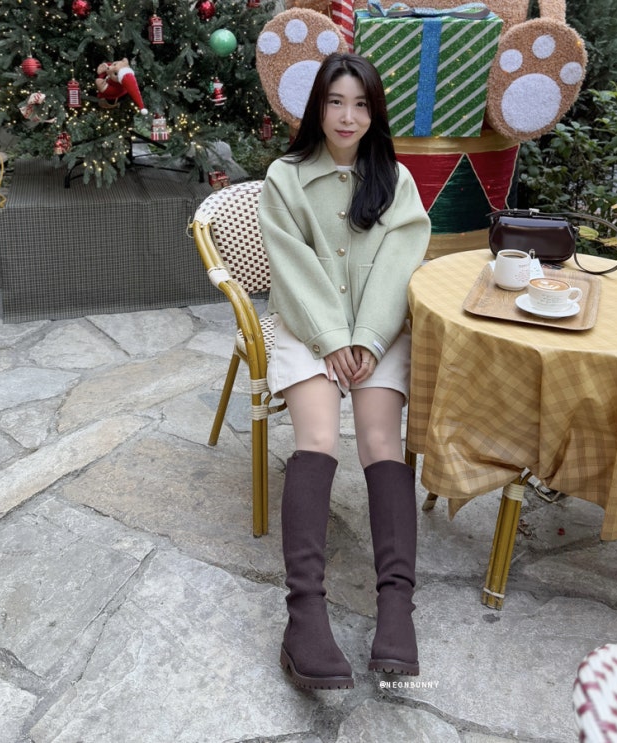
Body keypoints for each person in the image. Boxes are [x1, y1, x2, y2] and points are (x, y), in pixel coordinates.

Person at [258, 52, 431, 690]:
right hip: (308, 328)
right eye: (335, 101)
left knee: (382, 441)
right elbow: (291, 266)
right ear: (317, 107)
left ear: (374, 111)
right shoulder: (284, 177)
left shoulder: (396, 180)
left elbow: (400, 262)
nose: (347, 116)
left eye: (360, 104)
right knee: (319, 438)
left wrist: (368, 339)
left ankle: (397, 609)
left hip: (377, 332)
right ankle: (304, 613)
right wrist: (332, 339)